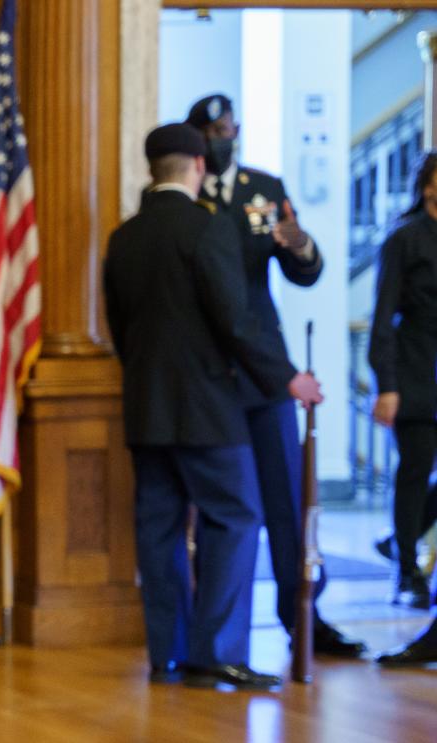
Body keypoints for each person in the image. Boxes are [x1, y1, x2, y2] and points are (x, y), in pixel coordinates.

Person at [104, 123, 324, 690]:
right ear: (199, 167)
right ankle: (217, 653)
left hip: (146, 408)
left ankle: (168, 653)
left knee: (159, 528)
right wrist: (286, 379)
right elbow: (235, 320)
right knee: (236, 517)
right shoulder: (209, 229)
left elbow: (121, 330)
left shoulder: (123, 237)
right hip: (207, 410)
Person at [185, 93, 366, 657]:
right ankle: (211, 630)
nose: (222, 137)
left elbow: (303, 270)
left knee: (286, 499)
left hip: (265, 372)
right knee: (219, 507)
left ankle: (303, 617)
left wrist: (304, 247)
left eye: (227, 127)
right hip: (209, 371)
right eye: (210, 130)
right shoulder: (187, 198)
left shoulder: (263, 188)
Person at [368, 151, 437, 610]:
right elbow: (382, 317)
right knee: (414, 470)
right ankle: (407, 571)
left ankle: (400, 538)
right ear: (428, 186)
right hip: (414, 374)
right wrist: (387, 385)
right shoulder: (404, 239)